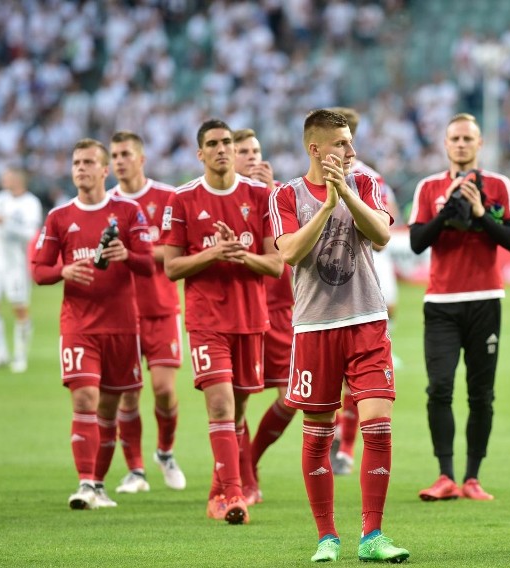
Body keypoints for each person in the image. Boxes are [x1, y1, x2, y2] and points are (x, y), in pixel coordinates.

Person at [268, 109, 409, 563]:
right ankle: (327, 537)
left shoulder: (364, 184)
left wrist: (344, 191)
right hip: (314, 328)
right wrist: (327, 205)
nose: (351, 150)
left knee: (379, 427)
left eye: (351, 142)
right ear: (316, 148)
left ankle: (373, 535)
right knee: (316, 435)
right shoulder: (286, 195)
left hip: (367, 320)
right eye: (342, 144)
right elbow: (290, 252)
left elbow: (383, 235)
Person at [161, 119, 282, 525]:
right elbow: (172, 267)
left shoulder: (261, 196)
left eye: (227, 142)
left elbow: (276, 265)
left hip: (250, 320)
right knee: (220, 404)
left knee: (239, 410)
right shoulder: (183, 199)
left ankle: (218, 491)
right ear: (200, 153)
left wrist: (240, 256)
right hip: (206, 319)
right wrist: (213, 254)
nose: (221, 149)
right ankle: (233, 496)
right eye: (212, 144)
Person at [32, 138, 155, 510]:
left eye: (88, 162)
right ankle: (85, 483)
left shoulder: (129, 211)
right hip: (79, 326)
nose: (81, 169)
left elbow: (150, 265)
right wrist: (63, 270)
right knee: (85, 399)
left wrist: (128, 255)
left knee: (109, 409)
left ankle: (98, 484)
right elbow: (39, 271)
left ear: (104, 171)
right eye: (76, 163)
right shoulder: (59, 216)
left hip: (121, 326)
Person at [407, 112, 510, 502]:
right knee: (439, 388)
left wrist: (477, 214)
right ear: (446, 144)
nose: (460, 144)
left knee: (481, 394)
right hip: (440, 302)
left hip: (486, 300)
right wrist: (446, 212)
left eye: (467, 139)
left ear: (479, 144)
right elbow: (418, 242)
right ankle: (445, 475)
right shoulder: (428, 187)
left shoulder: (498, 185)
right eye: (454, 138)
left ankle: (472, 477)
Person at [108, 131, 187, 494]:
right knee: (128, 393)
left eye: (125, 154)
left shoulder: (167, 197)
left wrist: (135, 250)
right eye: (114, 155)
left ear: (141, 159)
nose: (119, 161)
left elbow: (177, 250)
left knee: (164, 391)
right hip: (121, 312)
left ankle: (165, 453)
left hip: (160, 308)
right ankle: (135, 470)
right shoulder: (105, 204)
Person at [328, 106, 403, 477]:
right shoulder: (310, 182)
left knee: (358, 369)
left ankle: (344, 442)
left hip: (366, 271)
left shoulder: (370, 180)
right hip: (332, 281)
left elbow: (382, 234)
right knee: (341, 373)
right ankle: (338, 436)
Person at [231, 128, 295, 506]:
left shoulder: (281, 194)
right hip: (242, 308)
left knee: (291, 397)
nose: (252, 157)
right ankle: (241, 474)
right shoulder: (223, 198)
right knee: (237, 400)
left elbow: (295, 244)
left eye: (256, 150)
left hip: (283, 308)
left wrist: (270, 195)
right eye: (243, 151)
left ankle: (248, 460)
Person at [0, 167, 43, 373]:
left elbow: (29, 234)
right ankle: (1, 353)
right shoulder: (1, 198)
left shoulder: (30, 203)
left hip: (15, 264)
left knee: (20, 309)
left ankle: (20, 356)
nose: (3, 180)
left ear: (18, 179)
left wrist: (4, 222)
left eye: (7, 177)